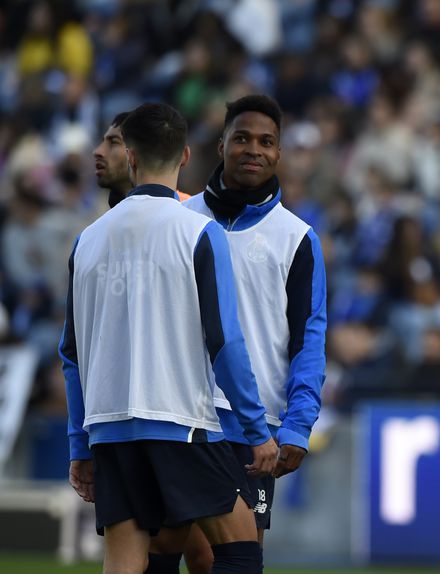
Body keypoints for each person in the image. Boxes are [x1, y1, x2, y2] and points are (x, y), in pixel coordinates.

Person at [60, 102, 278, 573]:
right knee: (241, 550)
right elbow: (225, 342)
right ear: (183, 157)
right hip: (179, 422)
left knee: (125, 562)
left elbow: (71, 355)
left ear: (131, 157)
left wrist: (80, 444)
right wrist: (257, 430)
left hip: (109, 427)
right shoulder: (199, 231)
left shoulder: (88, 240)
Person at [146, 94, 327, 574]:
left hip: (254, 426)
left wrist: (298, 424)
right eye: (242, 138)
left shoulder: (297, 237)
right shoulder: (180, 221)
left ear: (279, 153)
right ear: (222, 144)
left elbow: (308, 339)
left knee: (227, 558)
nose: (254, 149)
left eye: (267, 142)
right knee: (162, 546)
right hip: (177, 411)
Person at [94, 111, 192, 211]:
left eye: (114, 142)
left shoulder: (191, 211)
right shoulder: (100, 217)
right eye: (102, 141)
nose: (98, 151)